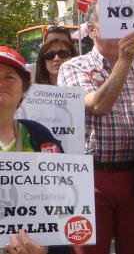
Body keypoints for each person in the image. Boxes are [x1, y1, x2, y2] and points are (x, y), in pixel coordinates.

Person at [58, 4, 134, 254]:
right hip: (90, 179)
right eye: (110, 21)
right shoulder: (74, 68)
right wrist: (125, 60)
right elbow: (98, 104)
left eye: (123, 22)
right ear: (92, 30)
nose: (120, 28)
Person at [0, 46, 68, 254]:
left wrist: (47, 250)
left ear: (24, 89)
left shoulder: (40, 136)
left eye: (10, 77)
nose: (1, 83)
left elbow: (64, 208)